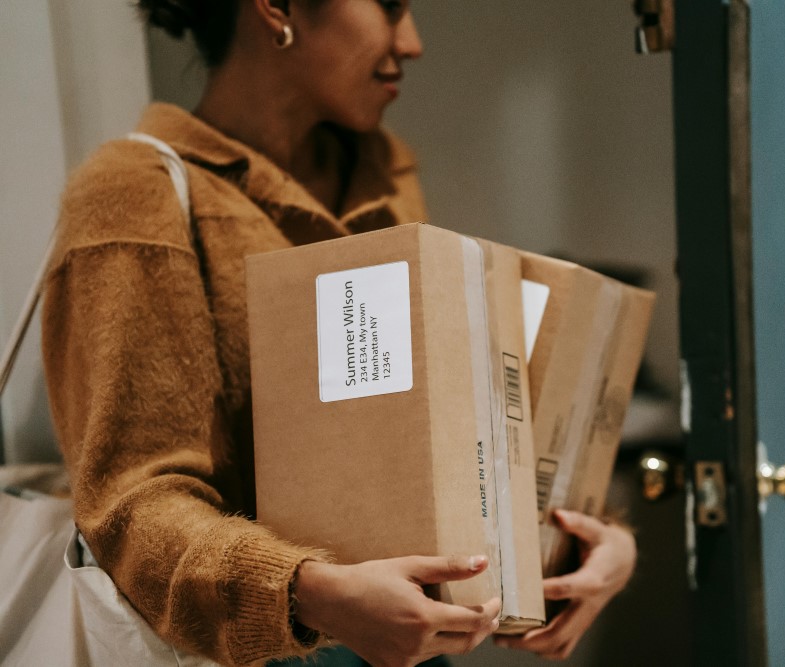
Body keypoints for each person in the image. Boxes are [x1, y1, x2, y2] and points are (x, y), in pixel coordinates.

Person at [42, 1, 637, 665]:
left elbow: (442, 439)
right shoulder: (132, 196)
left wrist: (589, 544)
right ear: (277, 7)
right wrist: (306, 593)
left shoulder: (381, 169)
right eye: (389, 5)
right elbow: (132, 507)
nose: (411, 42)